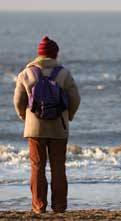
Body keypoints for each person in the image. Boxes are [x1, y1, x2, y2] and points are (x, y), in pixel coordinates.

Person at [13, 36, 81, 213]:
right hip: (59, 128)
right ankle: (59, 207)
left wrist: (25, 117)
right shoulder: (64, 74)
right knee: (58, 168)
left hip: (34, 129)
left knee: (37, 167)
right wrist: (68, 116)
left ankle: (39, 206)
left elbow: (18, 101)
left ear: (39, 54)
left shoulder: (26, 73)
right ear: (55, 54)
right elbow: (75, 99)